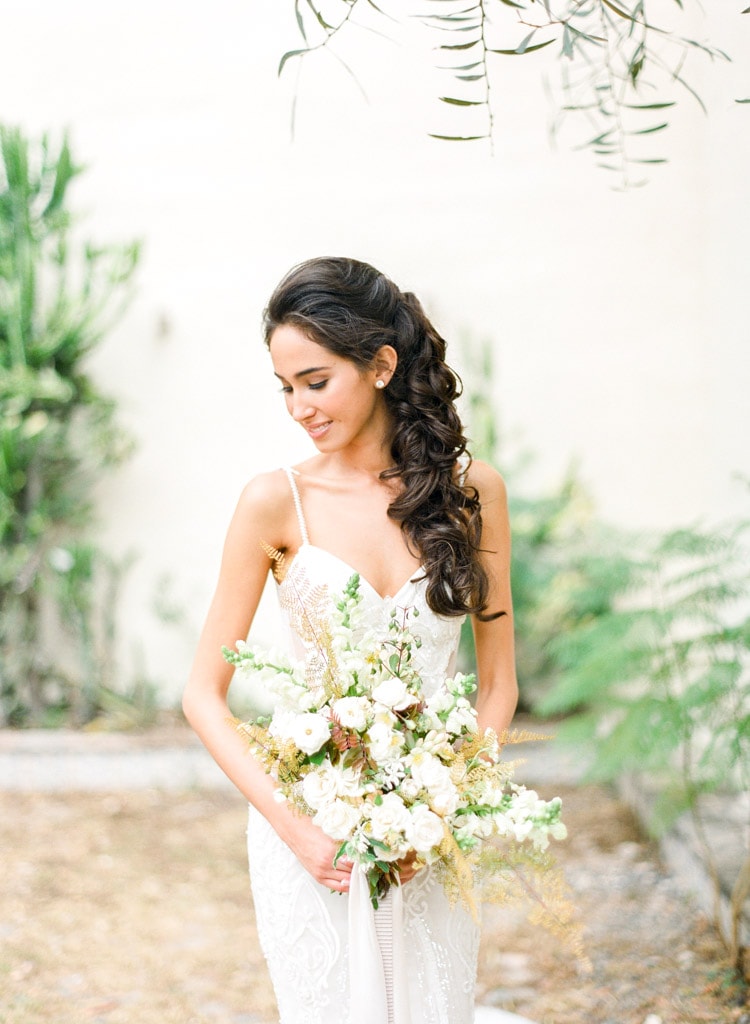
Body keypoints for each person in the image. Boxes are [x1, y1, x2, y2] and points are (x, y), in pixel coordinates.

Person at [183, 256, 519, 1024]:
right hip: (312, 831)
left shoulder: (473, 493)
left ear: (381, 365)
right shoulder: (275, 501)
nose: (299, 406)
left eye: (316, 380)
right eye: (285, 387)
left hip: (430, 834)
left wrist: (446, 812)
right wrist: (298, 833)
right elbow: (201, 693)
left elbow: (498, 685)